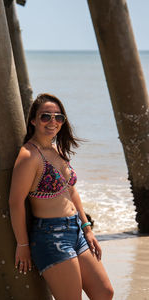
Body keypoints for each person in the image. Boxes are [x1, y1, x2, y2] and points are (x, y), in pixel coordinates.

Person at [9, 93, 114, 300]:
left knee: (104, 292)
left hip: (76, 231)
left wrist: (87, 229)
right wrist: (22, 245)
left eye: (58, 117)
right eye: (45, 116)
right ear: (33, 120)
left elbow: (71, 190)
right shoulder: (29, 155)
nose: (53, 122)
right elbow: (15, 202)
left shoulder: (56, 150)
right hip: (51, 237)